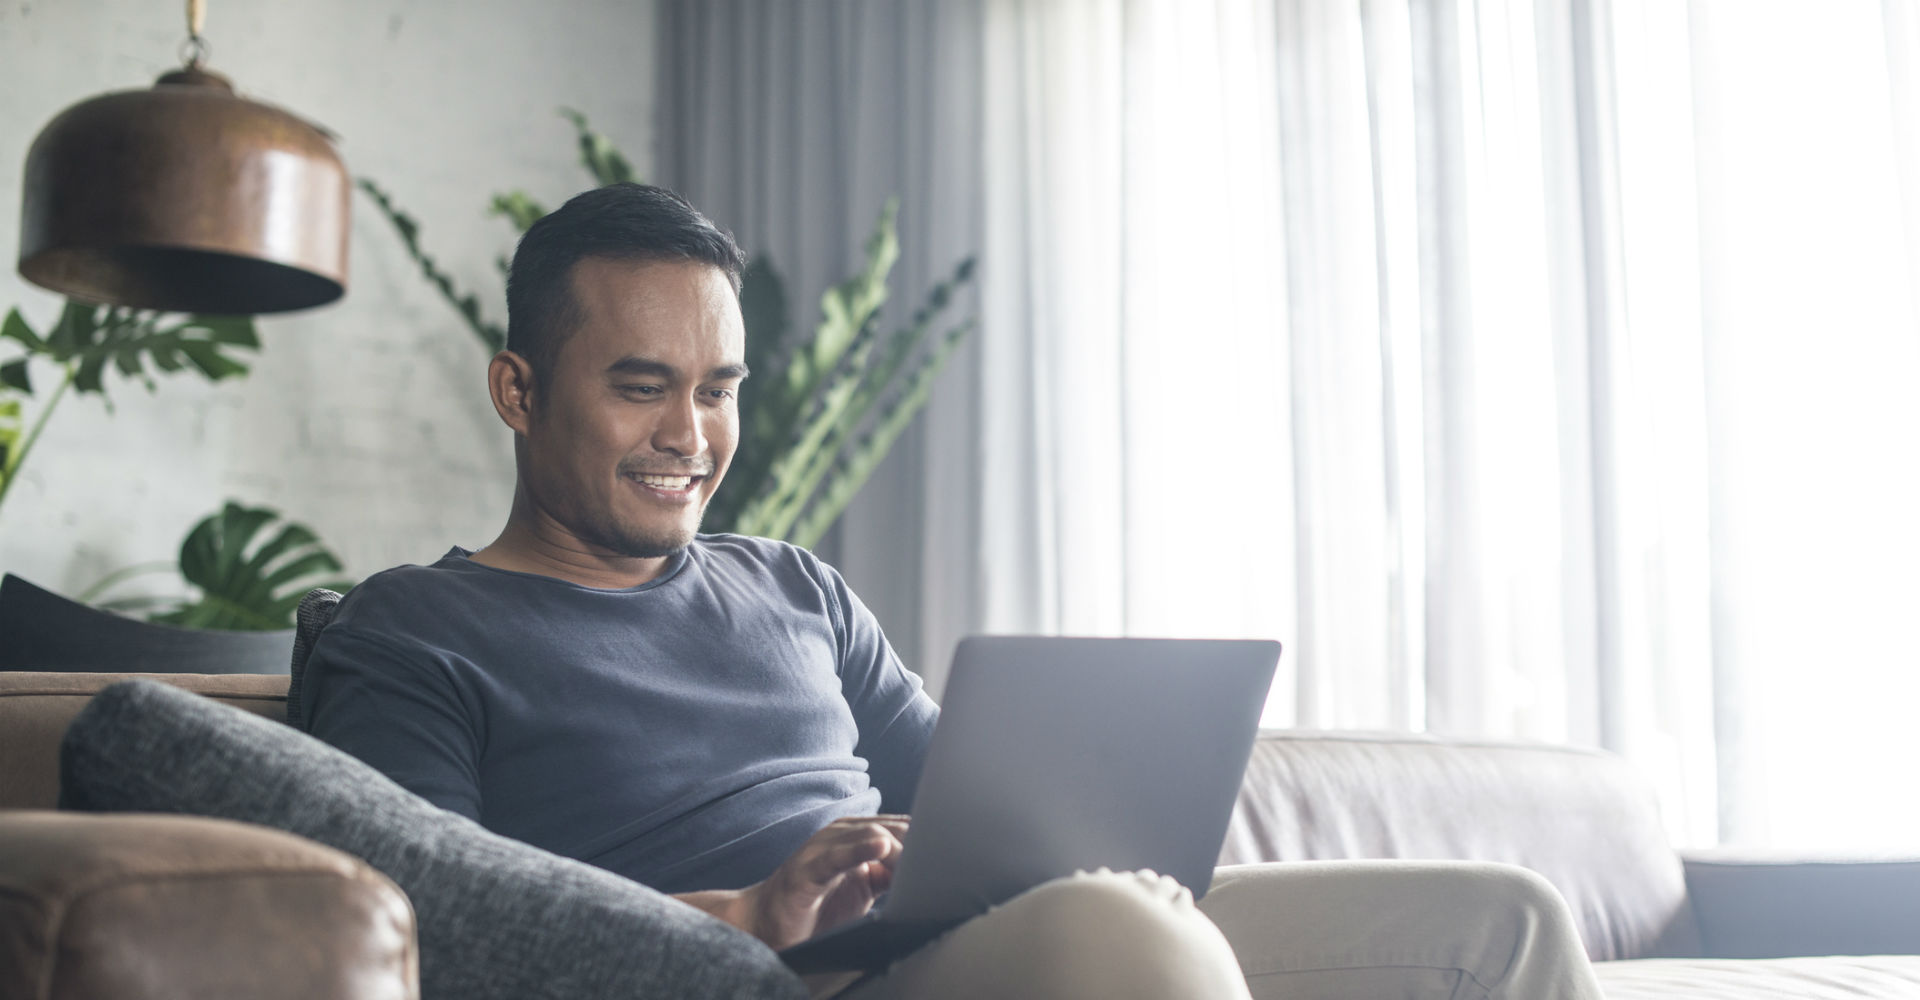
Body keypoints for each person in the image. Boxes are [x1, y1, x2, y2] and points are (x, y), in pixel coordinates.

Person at [302, 182, 1606, 1000]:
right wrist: (749, 913)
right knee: (1120, 943)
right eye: (642, 384)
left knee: (1500, 919)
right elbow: (423, 927)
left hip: (971, 942)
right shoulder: (416, 631)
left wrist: (1058, 833)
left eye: (719, 389)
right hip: (762, 974)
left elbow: (978, 798)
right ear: (519, 390)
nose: (689, 435)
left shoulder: (793, 588)